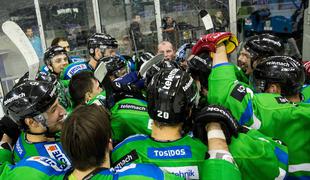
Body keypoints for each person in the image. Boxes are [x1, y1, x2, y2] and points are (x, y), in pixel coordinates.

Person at [112, 67, 288, 179]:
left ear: (149, 107)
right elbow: (280, 160)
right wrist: (239, 129)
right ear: (189, 110)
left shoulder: (126, 150)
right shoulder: (218, 146)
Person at [191, 32, 310, 178]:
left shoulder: (277, 110)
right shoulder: (303, 98)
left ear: (273, 89)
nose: (241, 59)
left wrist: (220, 48)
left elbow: (228, 98)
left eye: (246, 55)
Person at [0, 105, 188, 179]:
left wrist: (6, 138)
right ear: (110, 143)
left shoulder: (32, 172)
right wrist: (215, 138)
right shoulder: (143, 175)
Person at [1, 79, 69, 166]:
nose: (63, 111)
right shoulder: (44, 165)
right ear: (32, 122)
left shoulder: (32, 132)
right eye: (54, 110)